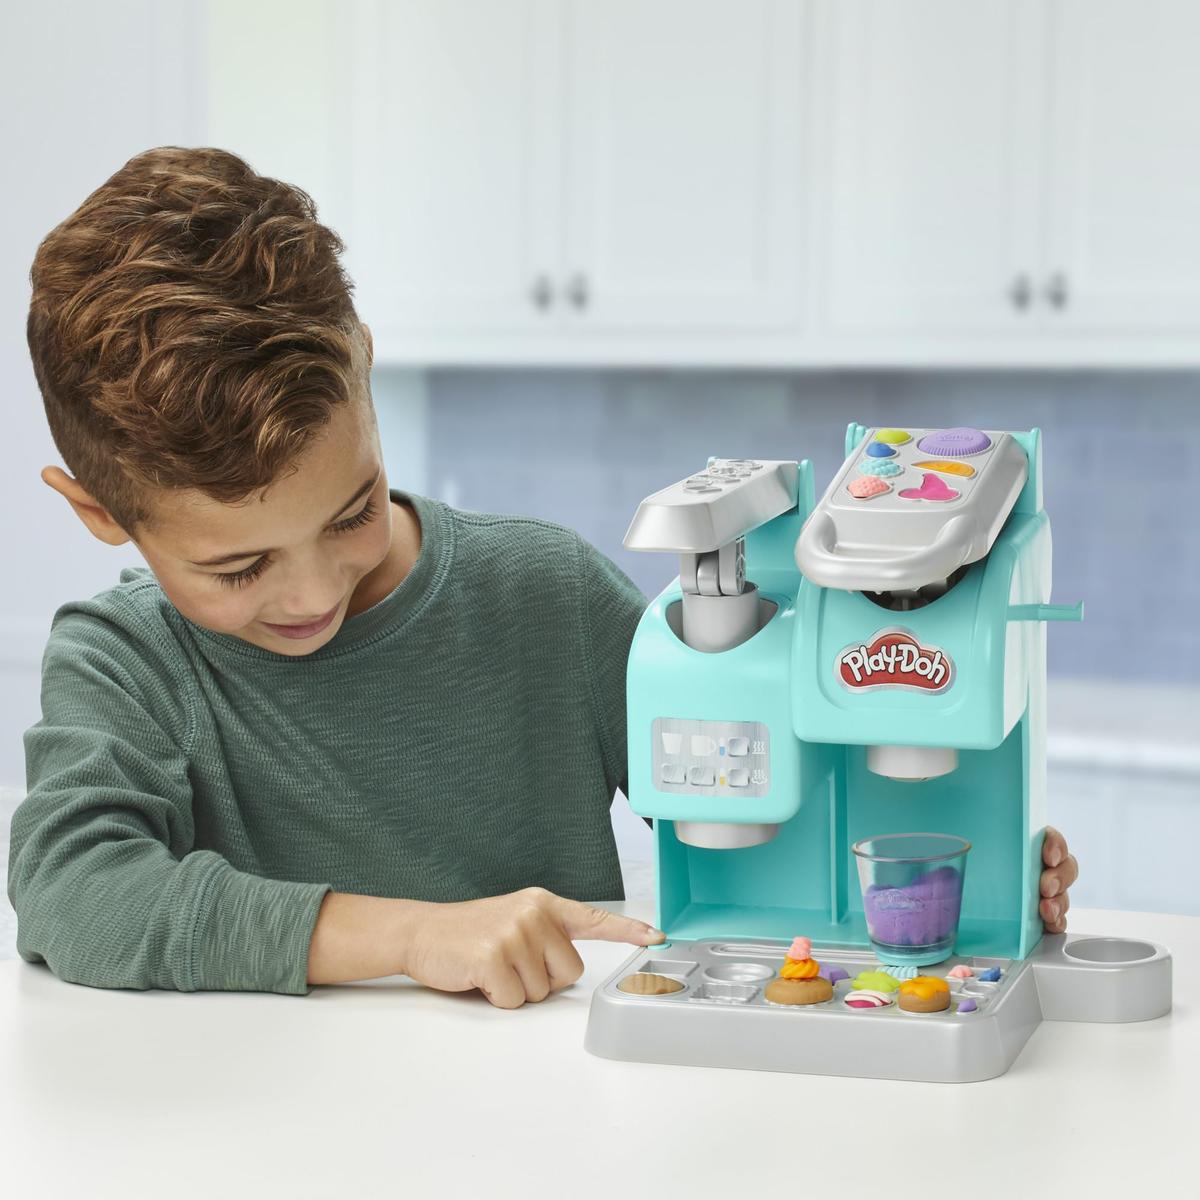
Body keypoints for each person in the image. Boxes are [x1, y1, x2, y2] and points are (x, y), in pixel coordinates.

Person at [8, 148, 1079, 1008]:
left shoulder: (544, 597)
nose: (312, 592)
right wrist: (416, 935)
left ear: (363, 363)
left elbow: (757, 821)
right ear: (99, 512)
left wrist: (975, 868)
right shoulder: (127, 661)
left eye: (350, 512)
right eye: (239, 567)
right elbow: (73, 894)